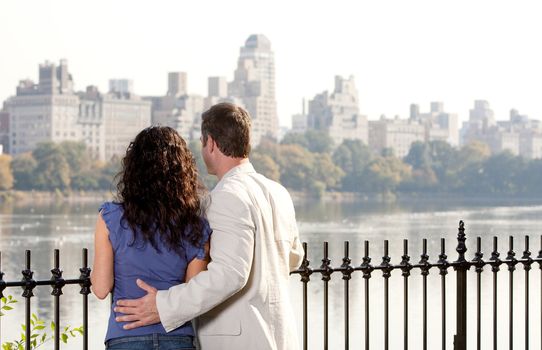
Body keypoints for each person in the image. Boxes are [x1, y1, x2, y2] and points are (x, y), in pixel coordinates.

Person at [114, 103, 304, 350]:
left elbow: (229, 274)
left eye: (203, 142)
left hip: (238, 341)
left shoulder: (227, 196)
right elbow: (294, 257)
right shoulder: (278, 192)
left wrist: (163, 305)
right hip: (280, 336)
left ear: (211, 143)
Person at [91, 126, 211, 350]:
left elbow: (100, 288)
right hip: (177, 337)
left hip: (125, 335)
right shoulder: (197, 226)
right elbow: (193, 293)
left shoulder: (110, 217)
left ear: (133, 169)